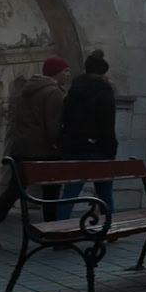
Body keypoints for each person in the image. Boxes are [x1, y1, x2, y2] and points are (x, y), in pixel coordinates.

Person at [0, 56, 69, 244]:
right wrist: (57, 143)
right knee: (51, 192)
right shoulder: (53, 92)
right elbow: (52, 124)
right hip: (43, 150)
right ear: (57, 73)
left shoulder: (27, 90)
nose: (67, 75)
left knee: (14, 190)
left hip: (21, 148)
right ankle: (52, 231)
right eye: (65, 71)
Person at [58, 50, 118, 217]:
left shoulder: (73, 91)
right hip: (97, 150)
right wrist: (110, 150)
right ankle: (107, 229)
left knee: (69, 194)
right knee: (105, 193)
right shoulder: (105, 93)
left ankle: (58, 233)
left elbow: (65, 118)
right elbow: (108, 125)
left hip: (73, 148)